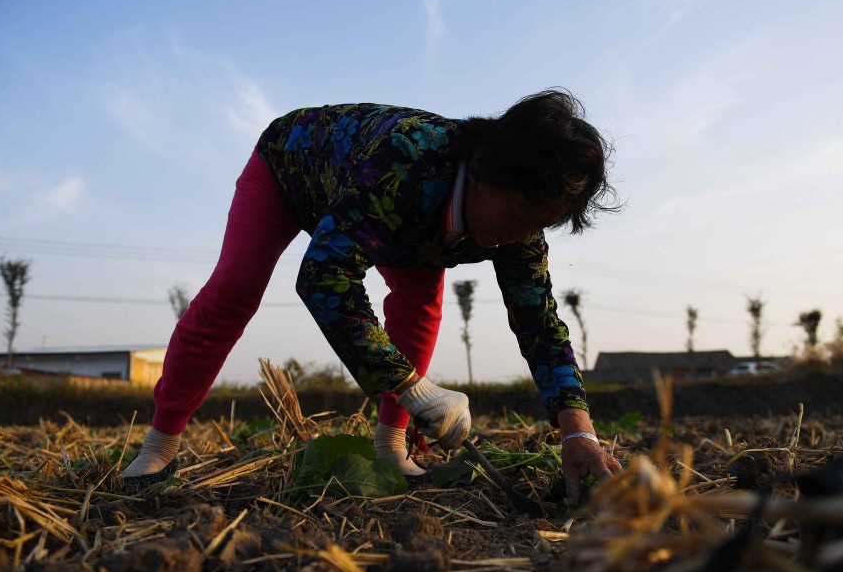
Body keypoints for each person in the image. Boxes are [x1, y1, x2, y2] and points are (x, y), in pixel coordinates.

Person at [121, 88, 623, 504]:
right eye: (517, 216)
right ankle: (159, 444)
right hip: (292, 169)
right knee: (236, 289)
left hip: (398, 215)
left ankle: (391, 446)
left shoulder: (522, 224)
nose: (522, 236)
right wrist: (418, 390)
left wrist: (578, 431)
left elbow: (539, 321)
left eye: (541, 225)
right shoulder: (406, 162)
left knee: (420, 306)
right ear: (484, 170)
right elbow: (324, 277)